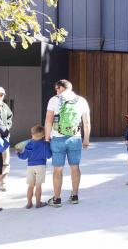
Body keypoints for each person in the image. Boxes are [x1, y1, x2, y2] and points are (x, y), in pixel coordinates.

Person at [44, 79, 90, 207]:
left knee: (58, 169)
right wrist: (86, 138)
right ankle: (74, 196)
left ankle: (57, 199)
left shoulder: (54, 100)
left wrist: (47, 138)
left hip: (57, 139)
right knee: (75, 167)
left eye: (56, 88)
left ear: (60, 88)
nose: (56, 91)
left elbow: (48, 121)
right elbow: (86, 122)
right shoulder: (81, 100)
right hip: (75, 138)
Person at [17, 125, 52, 209]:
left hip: (30, 166)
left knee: (30, 185)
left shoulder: (29, 143)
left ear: (32, 134)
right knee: (38, 185)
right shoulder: (45, 143)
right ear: (44, 135)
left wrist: (18, 153)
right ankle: (38, 203)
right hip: (41, 165)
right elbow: (49, 155)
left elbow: (24, 156)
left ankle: (29, 203)